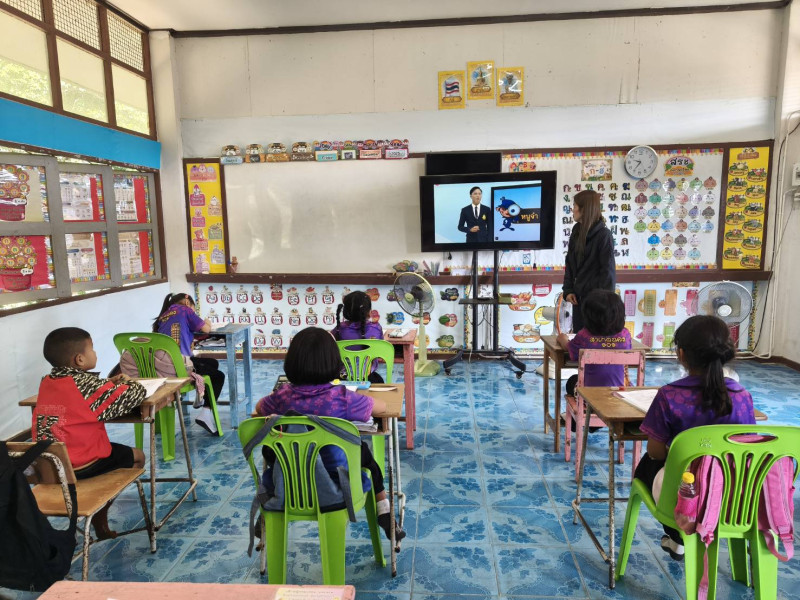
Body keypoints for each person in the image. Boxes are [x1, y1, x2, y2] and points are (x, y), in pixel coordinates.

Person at [255, 327, 405, 543]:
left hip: (288, 484)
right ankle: (383, 509)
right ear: (334, 362)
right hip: (337, 485)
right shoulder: (341, 397)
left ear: (292, 362)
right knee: (363, 453)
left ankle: (265, 513)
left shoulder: (282, 397)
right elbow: (381, 408)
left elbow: (259, 407)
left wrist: (276, 395)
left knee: (272, 447)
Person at [634, 315, 755, 561]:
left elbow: (656, 452)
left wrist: (683, 453)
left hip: (684, 495)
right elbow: (747, 447)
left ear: (681, 354)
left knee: (646, 465)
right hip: (732, 497)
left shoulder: (669, 396)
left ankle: (678, 535)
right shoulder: (742, 396)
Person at [32, 327, 147, 540]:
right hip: (82, 465)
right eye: (92, 349)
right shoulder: (86, 384)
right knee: (138, 456)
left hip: (50, 466)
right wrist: (129, 381)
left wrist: (106, 385)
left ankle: (98, 515)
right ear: (80, 359)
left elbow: (78, 392)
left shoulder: (46, 381)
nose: (95, 353)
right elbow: (135, 394)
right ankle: (100, 514)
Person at [153, 293, 224, 434]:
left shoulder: (163, 316)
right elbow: (206, 329)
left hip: (163, 366)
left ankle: (200, 393)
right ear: (187, 302)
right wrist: (208, 321)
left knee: (212, 363)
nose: (193, 311)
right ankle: (205, 413)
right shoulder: (185, 310)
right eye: (194, 308)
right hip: (179, 366)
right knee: (219, 376)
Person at [556, 289, 631, 400]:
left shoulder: (584, 336)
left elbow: (569, 349)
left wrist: (562, 338)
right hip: (622, 396)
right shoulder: (625, 335)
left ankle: (580, 409)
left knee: (572, 381)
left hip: (591, 398)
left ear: (588, 316)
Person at [562, 189, 616, 332]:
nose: (572, 210)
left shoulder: (604, 235)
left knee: (593, 341)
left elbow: (608, 273)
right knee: (579, 339)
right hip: (578, 301)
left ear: (584, 209)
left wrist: (602, 304)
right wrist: (568, 291)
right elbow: (570, 263)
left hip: (596, 305)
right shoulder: (576, 231)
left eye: (574, 206)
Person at [332, 290, 384, 384]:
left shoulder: (339, 329)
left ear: (345, 312)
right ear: (369, 312)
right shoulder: (376, 329)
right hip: (368, 380)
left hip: (341, 380)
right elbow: (381, 351)